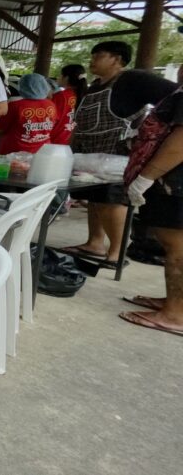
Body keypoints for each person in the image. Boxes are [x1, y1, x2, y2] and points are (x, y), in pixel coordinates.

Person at [62, 41, 178, 266]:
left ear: (116, 59)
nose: (92, 60)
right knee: (95, 198)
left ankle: (116, 253)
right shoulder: (95, 86)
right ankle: (95, 242)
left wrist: (154, 130)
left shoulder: (133, 79)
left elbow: (174, 96)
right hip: (90, 153)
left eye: (98, 56)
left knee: (112, 201)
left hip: (118, 155)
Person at [121, 64, 183, 337]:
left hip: (174, 183)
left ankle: (175, 314)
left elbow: (180, 141)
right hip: (170, 181)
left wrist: (147, 177)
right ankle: (175, 302)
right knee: (174, 246)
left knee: (177, 248)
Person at [0, 73, 57, 155]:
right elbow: (52, 125)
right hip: (41, 152)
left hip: (15, 153)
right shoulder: (51, 105)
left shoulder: (15, 106)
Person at [51, 64, 85, 145]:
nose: (58, 78)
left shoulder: (60, 96)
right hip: (72, 140)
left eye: (60, 75)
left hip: (55, 140)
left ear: (66, 78)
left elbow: (50, 118)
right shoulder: (84, 95)